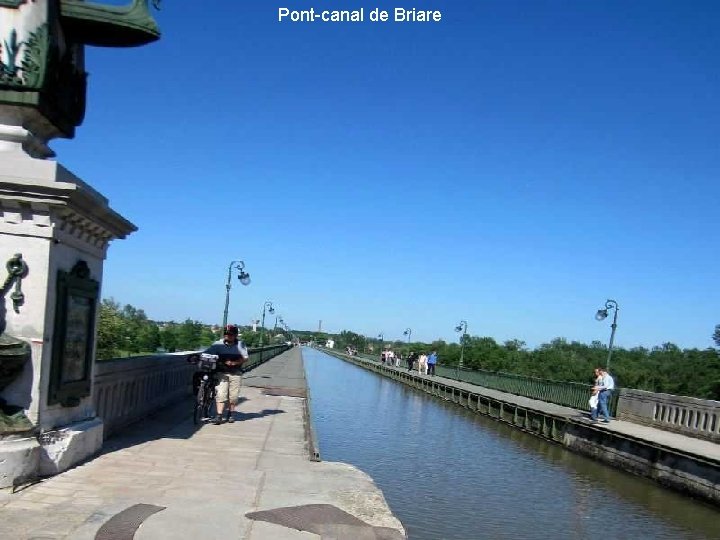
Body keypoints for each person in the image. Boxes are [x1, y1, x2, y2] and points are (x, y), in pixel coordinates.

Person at [203, 324, 248, 425]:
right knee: (221, 394)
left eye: (230, 334)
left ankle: (231, 414)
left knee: (233, 396)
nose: (228, 336)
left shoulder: (240, 344)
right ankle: (219, 416)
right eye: (226, 334)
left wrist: (234, 363)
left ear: (235, 335)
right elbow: (207, 353)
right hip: (222, 373)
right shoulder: (218, 344)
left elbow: (245, 358)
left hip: (235, 373)